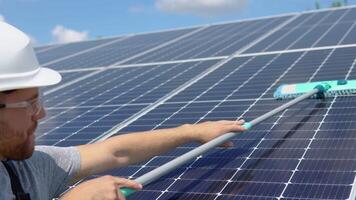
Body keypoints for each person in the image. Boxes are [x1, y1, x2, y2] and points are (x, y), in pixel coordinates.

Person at [0, 21, 246, 200]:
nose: (41, 114)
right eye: (30, 104)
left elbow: (114, 152)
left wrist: (191, 132)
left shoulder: (23, 167)